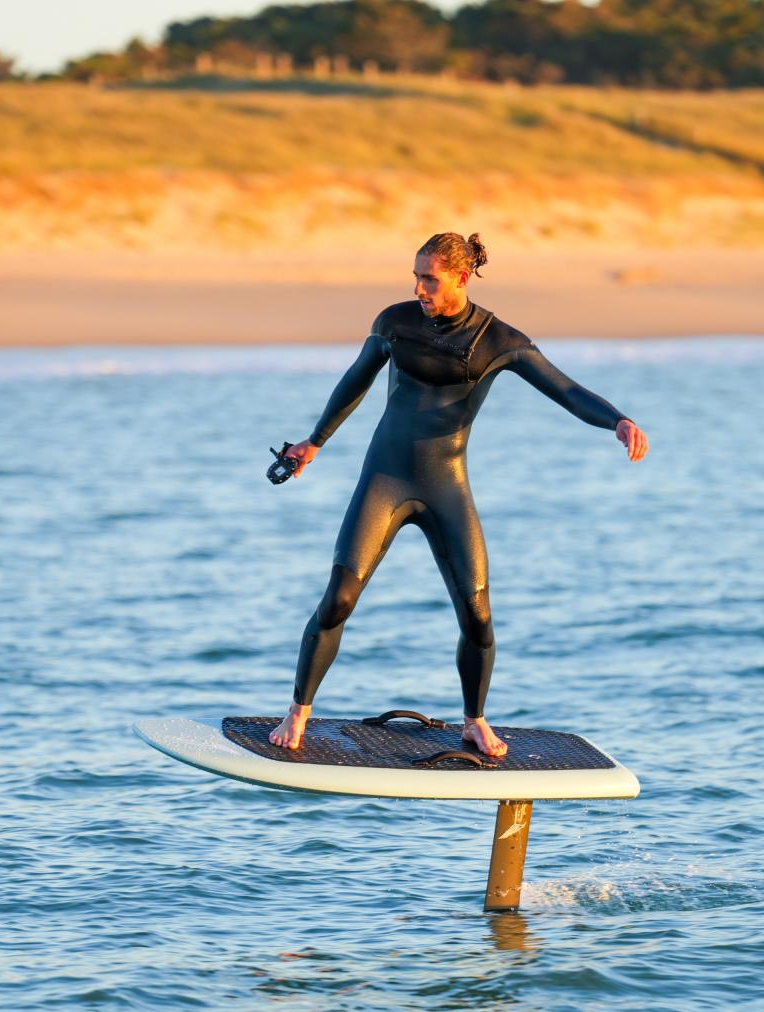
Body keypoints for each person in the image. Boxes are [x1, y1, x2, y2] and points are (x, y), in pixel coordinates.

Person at [269, 232, 648, 754]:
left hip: (446, 484)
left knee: (477, 615)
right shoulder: (395, 323)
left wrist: (617, 421)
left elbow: (565, 389)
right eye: (416, 276)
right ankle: (298, 712)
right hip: (385, 478)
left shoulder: (499, 341)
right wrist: (315, 441)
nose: (419, 287)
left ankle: (474, 720)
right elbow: (355, 380)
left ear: (461, 279)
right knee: (338, 600)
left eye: (430, 278)